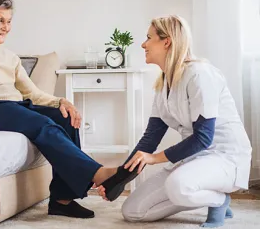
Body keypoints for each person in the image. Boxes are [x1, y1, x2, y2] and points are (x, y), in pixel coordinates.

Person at [0, 0, 136, 219]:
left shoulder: (10, 57)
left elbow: (32, 93)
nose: (6, 27)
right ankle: (98, 173)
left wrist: (60, 102)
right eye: (0, 20)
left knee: (65, 118)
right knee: (42, 124)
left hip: (13, 106)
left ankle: (62, 200)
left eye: (9, 21)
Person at [96, 15, 252, 228]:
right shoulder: (163, 85)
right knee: (132, 211)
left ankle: (219, 200)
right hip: (193, 159)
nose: (143, 44)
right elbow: (149, 140)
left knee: (179, 186)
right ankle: (199, 192)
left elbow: (203, 138)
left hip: (223, 157)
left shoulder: (200, 75)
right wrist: (118, 179)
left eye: (149, 38)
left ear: (166, 41)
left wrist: (154, 159)